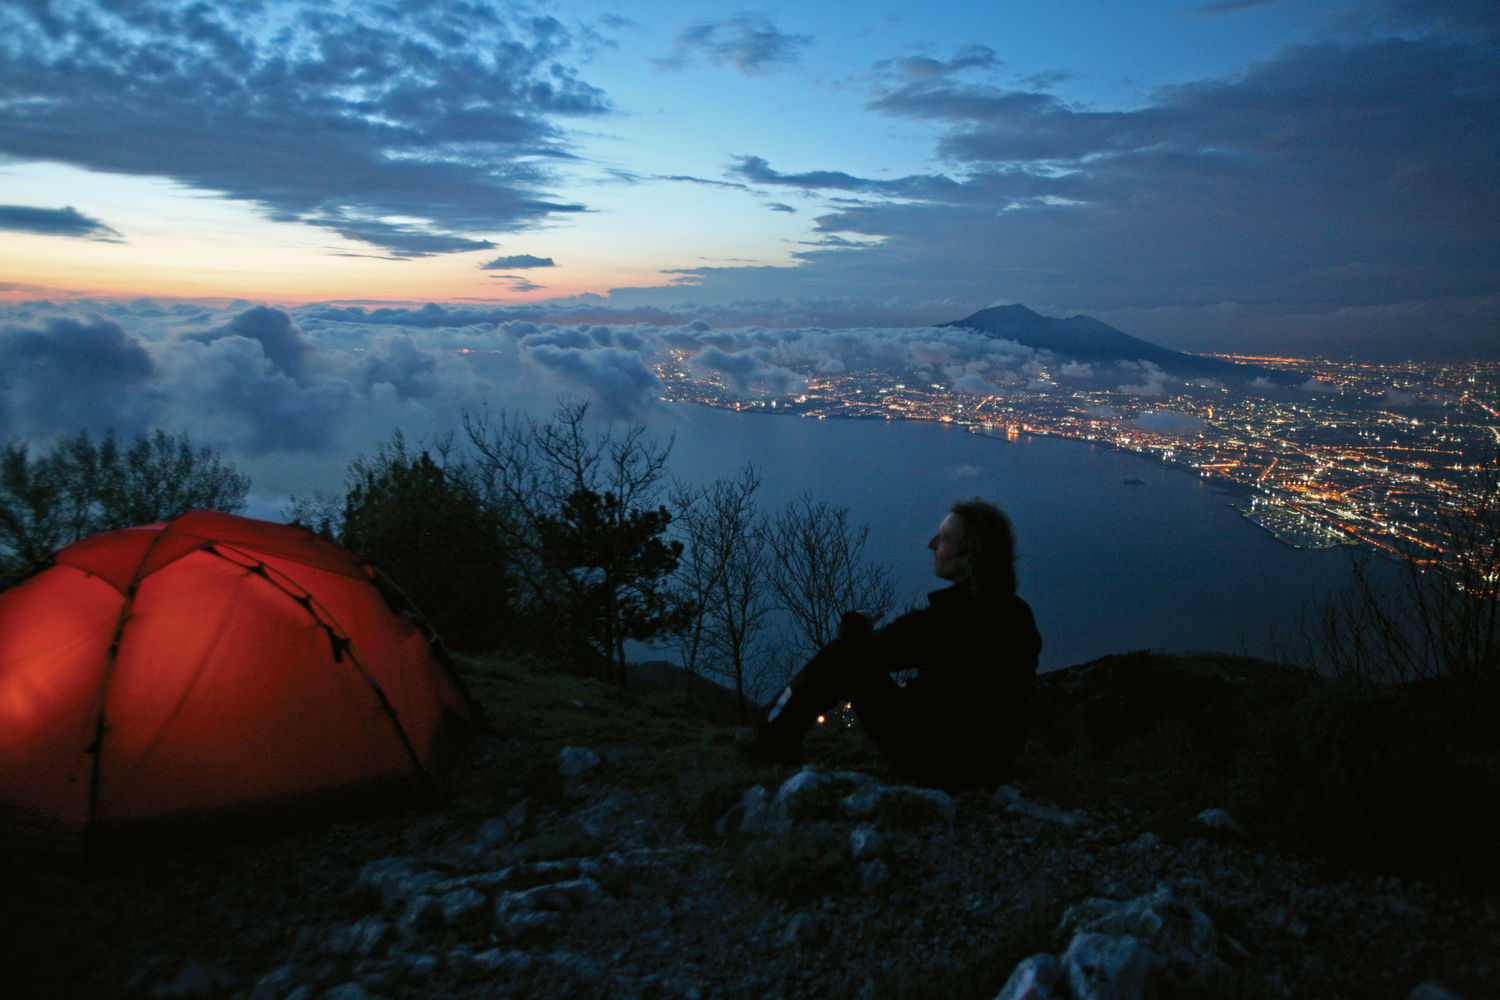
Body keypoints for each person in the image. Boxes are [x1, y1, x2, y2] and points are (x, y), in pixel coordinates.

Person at [736, 498, 1042, 792]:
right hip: (992, 765)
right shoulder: (1018, 614)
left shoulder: (951, 618)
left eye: (945, 539)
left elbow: (864, 653)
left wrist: (856, 623)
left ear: (970, 557)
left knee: (841, 657)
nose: (931, 544)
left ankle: (770, 738)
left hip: (939, 763)